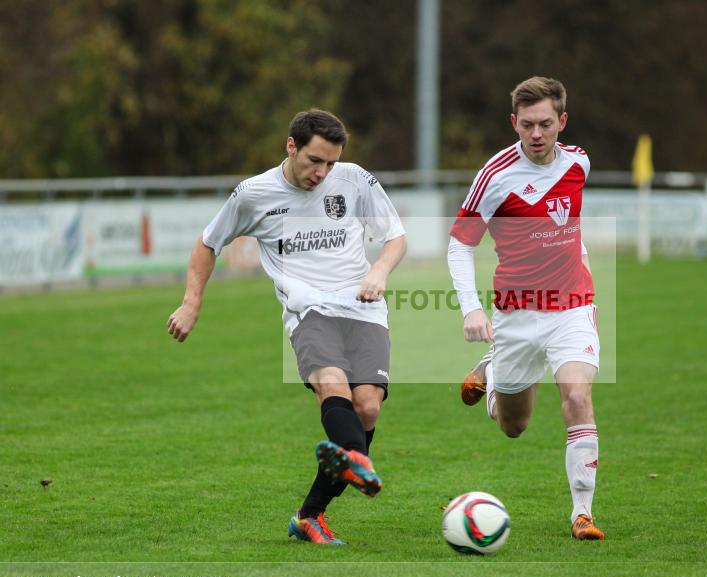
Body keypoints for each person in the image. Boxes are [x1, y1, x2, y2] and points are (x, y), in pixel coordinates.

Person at [166, 109, 406, 545]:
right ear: (291, 146)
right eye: (315, 160)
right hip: (308, 309)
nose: (323, 172)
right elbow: (208, 243)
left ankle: (310, 514)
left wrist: (381, 272)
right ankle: (359, 463)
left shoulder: (354, 180)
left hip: (364, 305)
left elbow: (395, 237)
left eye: (331, 162)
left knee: (368, 408)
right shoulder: (254, 195)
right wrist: (191, 302)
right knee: (332, 386)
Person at [447, 77, 604, 540]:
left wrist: (578, 266)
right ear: (513, 122)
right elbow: (459, 245)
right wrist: (471, 310)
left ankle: (582, 513)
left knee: (576, 397)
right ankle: (494, 373)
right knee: (513, 426)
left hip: (571, 306)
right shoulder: (494, 176)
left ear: (562, 122)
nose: (536, 135)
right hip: (514, 315)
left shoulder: (579, 164)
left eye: (546, 124)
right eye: (527, 125)